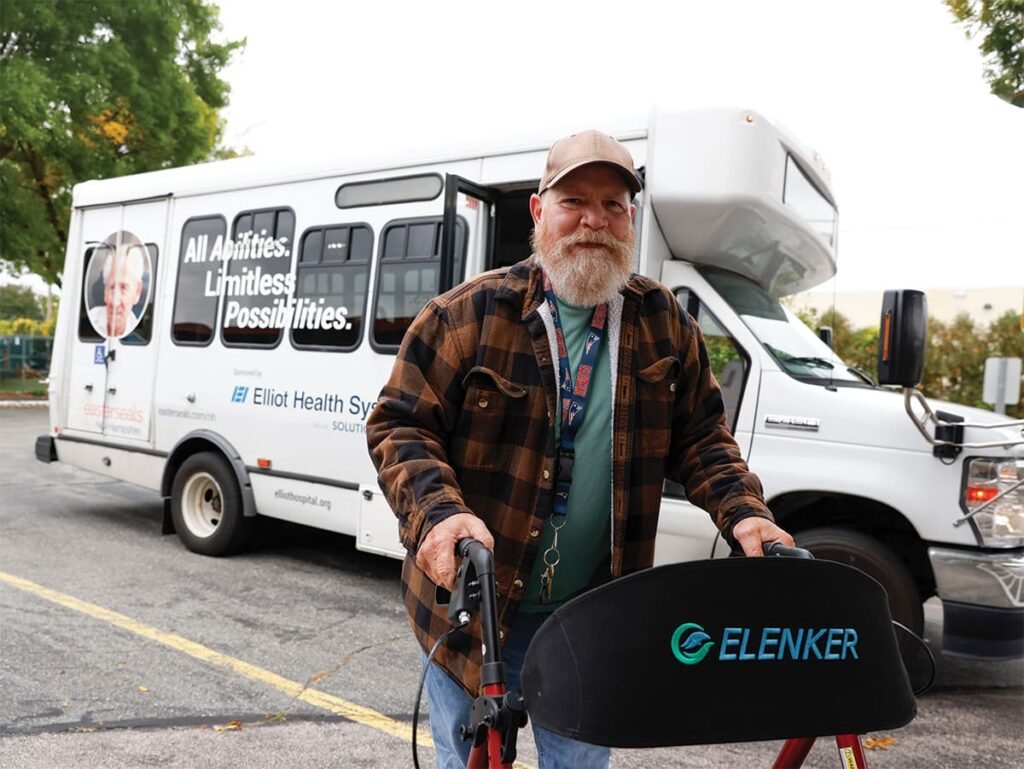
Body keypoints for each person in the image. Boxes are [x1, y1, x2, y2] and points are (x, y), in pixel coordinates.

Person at [366, 129, 795, 769]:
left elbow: (703, 436)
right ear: (540, 211)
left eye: (613, 204)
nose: (594, 219)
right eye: (574, 200)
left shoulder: (665, 324)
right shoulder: (468, 315)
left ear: (630, 219)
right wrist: (439, 515)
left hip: (594, 618)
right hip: (477, 617)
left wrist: (746, 514)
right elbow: (400, 424)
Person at [87, 232, 147, 339]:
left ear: (137, 292)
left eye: (124, 288)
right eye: (112, 288)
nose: (115, 302)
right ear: (105, 292)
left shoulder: (138, 336)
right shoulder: (90, 319)